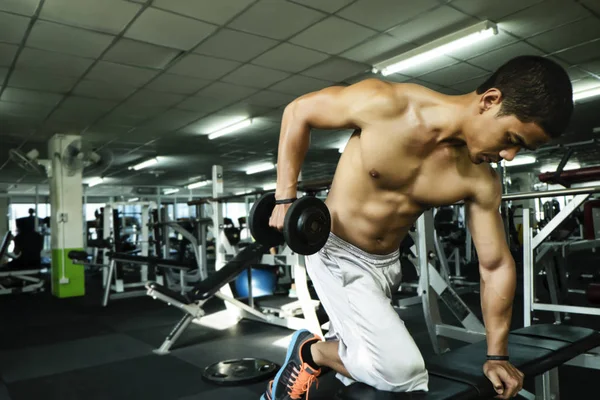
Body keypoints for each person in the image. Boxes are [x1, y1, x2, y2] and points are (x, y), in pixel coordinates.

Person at [261, 55, 574, 400]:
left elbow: (495, 264)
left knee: (367, 368)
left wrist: (496, 355)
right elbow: (299, 111)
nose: (510, 155)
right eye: (511, 137)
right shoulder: (388, 105)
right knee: (402, 372)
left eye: (521, 147)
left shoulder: (480, 180)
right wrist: (285, 197)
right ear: (489, 101)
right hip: (337, 249)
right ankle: (312, 352)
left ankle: (320, 361)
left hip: (389, 265)